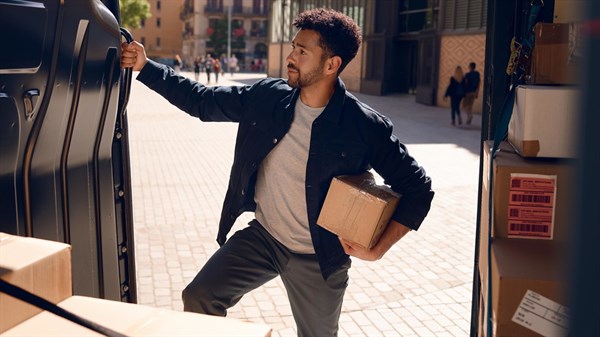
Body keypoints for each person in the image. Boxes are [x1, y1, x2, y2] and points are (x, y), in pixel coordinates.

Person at [121, 8, 434, 337]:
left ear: (332, 64)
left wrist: (378, 248)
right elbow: (203, 101)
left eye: (302, 51)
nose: (290, 56)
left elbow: (418, 189)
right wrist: (146, 66)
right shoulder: (269, 97)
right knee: (199, 296)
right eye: (292, 47)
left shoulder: (364, 126)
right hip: (264, 238)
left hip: (320, 256)